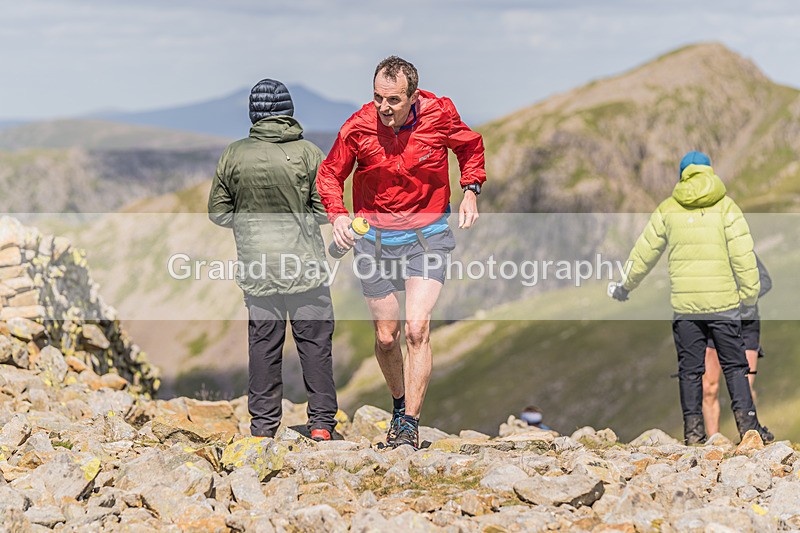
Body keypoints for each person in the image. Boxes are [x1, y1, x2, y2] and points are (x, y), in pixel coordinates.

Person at [316, 56, 486, 449]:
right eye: (377, 98)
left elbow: (471, 148)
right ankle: (397, 406)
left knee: (416, 328)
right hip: (373, 242)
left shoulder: (439, 114)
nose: (383, 108)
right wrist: (338, 216)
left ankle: (409, 422)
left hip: (426, 238)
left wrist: (471, 191)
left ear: (413, 95)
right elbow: (329, 174)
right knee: (387, 336)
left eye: (393, 100)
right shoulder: (359, 126)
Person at [610, 151, 773, 444]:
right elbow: (743, 258)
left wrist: (624, 286)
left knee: (690, 371)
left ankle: (694, 435)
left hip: (686, 309)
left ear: (682, 174)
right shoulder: (727, 207)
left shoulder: (668, 209)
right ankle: (750, 431)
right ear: (710, 172)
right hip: (725, 306)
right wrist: (748, 298)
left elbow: (643, 253)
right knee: (736, 367)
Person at [208, 79, 338, 441]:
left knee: (264, 346)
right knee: (315, 345)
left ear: (254, 113)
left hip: (257, 268)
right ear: (288, 112)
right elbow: (326, 211)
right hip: (305, 268)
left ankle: (263, 428)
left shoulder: (233, 154)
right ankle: (322, 425)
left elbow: (218, 212)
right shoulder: (309, 153)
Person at [703, 254, 772, 435]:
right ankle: (713, 441)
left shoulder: (742, 250)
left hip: (746, 325)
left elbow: (765, 281)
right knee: (709, 387)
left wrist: (738, 299)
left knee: (746, 385)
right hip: (714, 325)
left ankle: (750, 436)